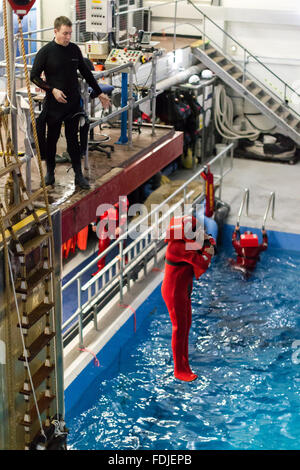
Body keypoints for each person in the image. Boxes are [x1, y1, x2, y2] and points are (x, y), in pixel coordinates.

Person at [30, 16, 110, 189]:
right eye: (65, 33)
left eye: (70, 33)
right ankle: (50, 173)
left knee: (73, 140)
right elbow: (34, 77)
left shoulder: (74, 50)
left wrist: (99, 93)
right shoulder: (46, 52)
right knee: (51, 139)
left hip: (73, 104)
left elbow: (87, 73)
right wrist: (52, 90)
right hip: (54, 105)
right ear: (56, 31)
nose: (68, 37)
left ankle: (78, 176)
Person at [161, 215, 216, 382]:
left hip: (182, 290)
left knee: (186, 327)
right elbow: (202, 261)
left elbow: (205, 244)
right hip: (174, 292)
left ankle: (185, 363)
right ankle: (179, 369)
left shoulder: (186, 242)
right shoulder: (178, 247)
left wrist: (208, 243)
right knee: (179, 328)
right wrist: (208, 250)